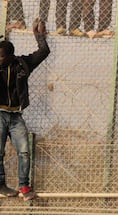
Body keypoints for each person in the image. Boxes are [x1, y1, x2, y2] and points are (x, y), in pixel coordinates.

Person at [0, 18, 50, 201]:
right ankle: (1, 185)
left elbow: (44, 51)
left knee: (24, 151)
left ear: (11, 55)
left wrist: (39, 35)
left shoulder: (23, 64)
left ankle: (24, 186)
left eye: (1, 56)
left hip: (15, 115)